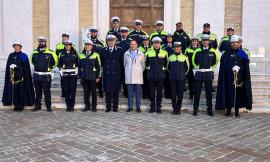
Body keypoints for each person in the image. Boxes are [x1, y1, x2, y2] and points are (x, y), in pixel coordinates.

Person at [216, 35, 252, 117]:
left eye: (236, 42)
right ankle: (228, 110)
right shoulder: (226, 54)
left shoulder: (242, 53)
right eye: (233, 42)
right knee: (228, 94)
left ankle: (236, 111)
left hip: (239, 79)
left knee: (238, 95)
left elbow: (246, 66)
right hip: (228, 78)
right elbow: (223, 67)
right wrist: (230, 69)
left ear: (239, 43)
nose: (235, 44)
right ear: (230, 43)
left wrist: (240, 68)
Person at [2, 41, 35, 111]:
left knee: (21, 92)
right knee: (14, 93)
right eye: (15, 46)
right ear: (13, 47)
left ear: (20, 47)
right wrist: (11, 70)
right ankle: (16, 106)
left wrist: (17, 68)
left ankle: (21, 106)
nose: (16, 47)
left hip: (21, 78)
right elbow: (8, 66)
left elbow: (26, 68)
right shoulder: (11, 55)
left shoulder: (24, 56)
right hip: (13, 77)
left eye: (18, 46)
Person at [192, 34, 218, 116]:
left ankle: (209, 110)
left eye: (207, 40)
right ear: (201, 41)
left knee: (208, 93)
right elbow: (193, 60)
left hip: (208, 73)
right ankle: (195, 110)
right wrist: (197, 67)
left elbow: (216, 61)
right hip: (199, 73)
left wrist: (212, 67)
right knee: (197, 92)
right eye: (204, 40)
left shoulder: (213, 51)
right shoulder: (197, 50)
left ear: (209, 41)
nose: (205, 42)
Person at [30, 36, 58, 112]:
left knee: (47, 92)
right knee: (37, 92)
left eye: (42, 41)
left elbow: (55, 62)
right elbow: (32, 61)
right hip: (36, 76)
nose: (41, 43)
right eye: (39, 41)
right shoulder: (34, 53)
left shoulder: (51, 52)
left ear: (45, 42)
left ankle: (48, 107)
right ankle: (37, 106)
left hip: (46, 76)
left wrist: (48, 68)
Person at [99, 35, 124, 112]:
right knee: (108, 92)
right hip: (107, 73)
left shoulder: (119, 50)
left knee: (116, 92)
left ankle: (115, 107)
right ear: (107, 41)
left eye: (112, 40)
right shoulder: (103, 50)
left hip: (116, 74)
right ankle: (108, 107)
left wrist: (120, 74)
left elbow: (121, 63)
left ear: (115, 41)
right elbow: (102, 62)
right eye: (109, 40)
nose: (111, 42)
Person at [145, 37, 168, 113]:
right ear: (153, 44)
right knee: (151, 92)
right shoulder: (148, 52)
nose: (156, 45)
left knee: (159, 92)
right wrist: (149, 69)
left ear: (160, 44)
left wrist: (163, 70)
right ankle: (152, 106)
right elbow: (145, 63)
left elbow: (166, 64)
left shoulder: (164, 53)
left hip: (161, 76)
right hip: (151, 75)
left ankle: (158, 107)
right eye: (155, 43)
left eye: (158, 43)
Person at [79, 39, 101, 112]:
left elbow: (99, 67)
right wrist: (80, 77)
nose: (87, 46)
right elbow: (79, 67)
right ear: (84, 46)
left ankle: (94, 107)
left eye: (89, 45)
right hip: (84, 77)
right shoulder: (81, 55)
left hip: (93, 77)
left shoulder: (96, 55)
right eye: (86, 45)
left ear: (92, 46)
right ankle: (87, 106)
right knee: (86, 93)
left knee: (94, 93)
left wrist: (98, 76)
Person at [124, 39, 145, 113]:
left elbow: (143, 66)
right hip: (129, 76)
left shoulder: (141, 54)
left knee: (138, 94)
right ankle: (130, 107)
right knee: (130, 94)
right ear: (130, 45)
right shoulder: (126, 54)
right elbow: (125, 65)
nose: (132, 45)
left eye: (134, 44)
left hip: (138, 77)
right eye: (131, 44)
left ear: (137, 45)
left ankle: (138, 107)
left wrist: (138, 71)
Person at [168, 42, 189, 115]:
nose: (177, 48)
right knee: (173, 94)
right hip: (172, 78)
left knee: (180, 94)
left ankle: (178, 109)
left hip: (181, 79)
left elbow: (187, 68)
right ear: (173, 48)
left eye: (178, 47)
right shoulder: (170, 57)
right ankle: (174, 109)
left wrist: (183, 75)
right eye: (175, 47)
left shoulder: (184, 57)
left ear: (180, 48)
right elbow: (168, 68)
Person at [58, 40, 79, 112]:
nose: (67, 46)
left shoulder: (75, 53)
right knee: (66, 91)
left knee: (72, 91)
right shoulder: (61, 54)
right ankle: (68, 106)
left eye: (69, 45)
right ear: (65, 46)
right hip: (65, 75)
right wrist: (61, 71)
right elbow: (59, 64)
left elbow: (78, 63)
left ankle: (72, 106)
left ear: (71, 46)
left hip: (73, 75)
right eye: (66, 45)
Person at [89, 27, 105, 98]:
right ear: (91, 33)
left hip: (98, 62)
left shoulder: (101, 42)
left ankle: (100, 91)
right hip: (90, 63)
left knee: (99, 77)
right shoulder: (88, 41)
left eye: (95, 32)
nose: (93, 33)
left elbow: (104, 52)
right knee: (91, 77)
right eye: (92, 32)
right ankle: (91, 92)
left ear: (97, 33)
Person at [116, 26, 131, 98]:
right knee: (118, 78)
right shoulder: (116, 41)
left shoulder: (130, 42)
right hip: (118, 63)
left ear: (127, 33)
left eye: (125, 32)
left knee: (126, 78)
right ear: (120, 33)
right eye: (122, 32)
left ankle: (126, 92)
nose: (124, 34)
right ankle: (117, 92)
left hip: (127, 63)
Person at [184, 37, 199, 101]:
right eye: (193, 41)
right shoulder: (187, 49)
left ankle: (196, 94)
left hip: (197, 68)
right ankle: (191, 95)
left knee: (197, 83)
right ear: (191, 42)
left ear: (197, 42)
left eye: (195, 41)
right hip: (190, 69)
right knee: (190, 82)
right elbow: (185, 59)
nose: (194, 42)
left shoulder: (199, 49)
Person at [162, 33, 174, 99]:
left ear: (172, 39)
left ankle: (172, 94)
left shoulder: (175, 46)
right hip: (165, 66)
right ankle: (166, 94)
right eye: (168, 37)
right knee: (166, 81)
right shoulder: (163, 46)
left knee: (172, 81)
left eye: (170, 37)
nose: (169, 39)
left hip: (172, 66)